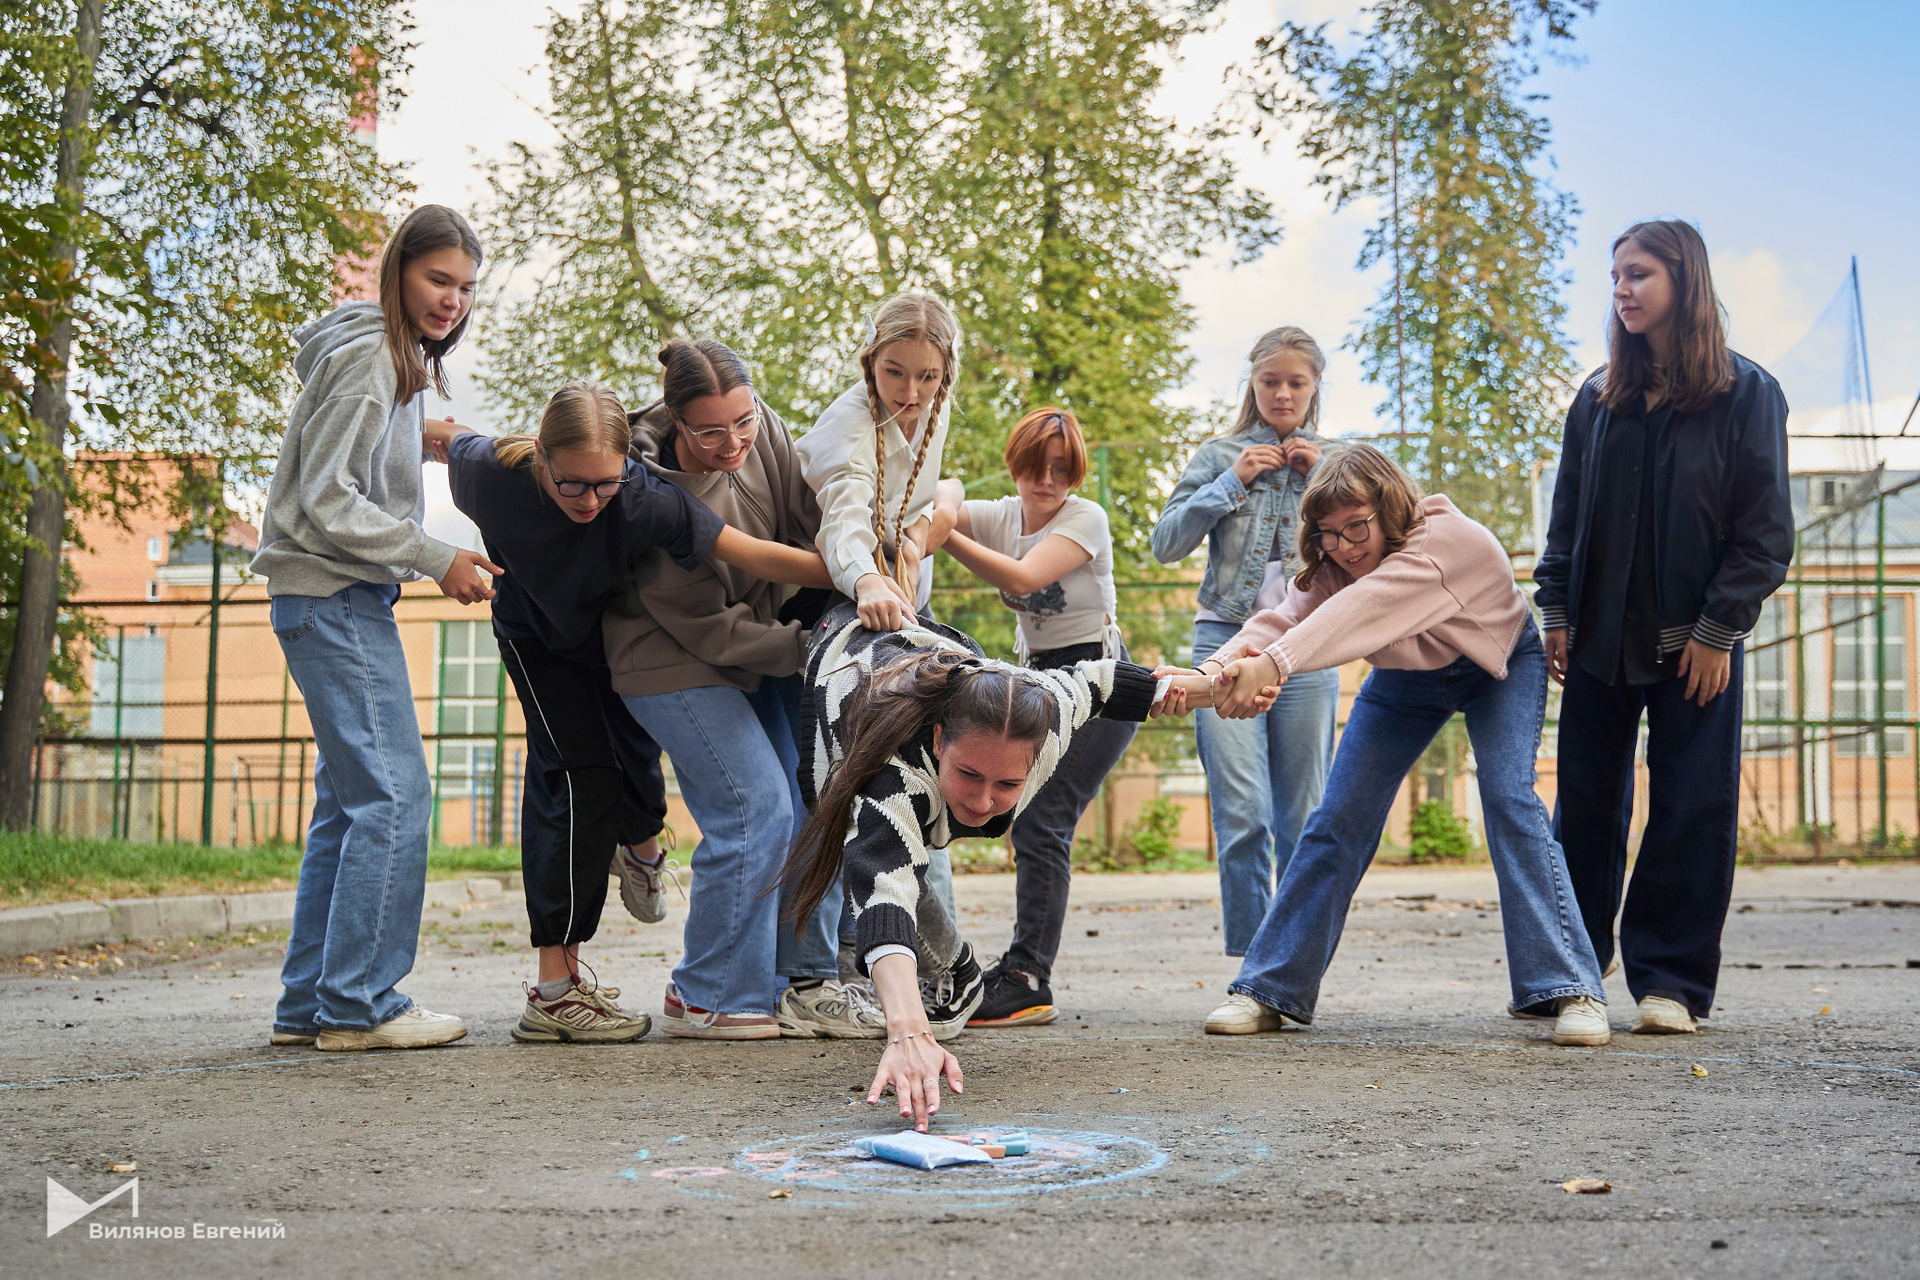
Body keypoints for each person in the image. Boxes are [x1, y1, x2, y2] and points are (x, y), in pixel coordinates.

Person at [430, 381, 830, 1044]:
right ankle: (556, 989)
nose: (590, 501)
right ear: (541, 457)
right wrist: (435, 547)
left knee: (639, 766)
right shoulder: (489, 471)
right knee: (578, 779)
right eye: (572, 484)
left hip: (606, 640)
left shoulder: (646, 497)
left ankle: (642, 850)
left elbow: (748, 552)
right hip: (537, 638)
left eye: (605, 484)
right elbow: (438, 434)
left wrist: (854, 572)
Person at [1196, 444, 1612, 1048]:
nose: (1343, 545)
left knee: (1509, 801)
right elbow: (1283, 619)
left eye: (1356, 525)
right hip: (1405, 678)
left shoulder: (1446, 543)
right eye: (1328, 532)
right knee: (1338, 816)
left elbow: (1359, 609)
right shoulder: (1338, 560)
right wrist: (1210, 671)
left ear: (1390, 506)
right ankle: (1268, 988)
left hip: (1494, 664)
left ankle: (1570, 987)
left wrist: (1272, 666)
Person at [780, 605, 1213, 1131]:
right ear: (939, 741)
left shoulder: (1046, 710)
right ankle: (954, 969)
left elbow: (1101, 681)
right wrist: (909, 1031)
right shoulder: (891, 776)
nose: (984, 801)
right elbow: (884, 892)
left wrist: (1218, 685)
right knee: (881, 849)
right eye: (968, 774)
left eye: (1008, 784)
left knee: (912, 848)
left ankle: (958, 970)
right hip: (843, 661)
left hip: (924, 648)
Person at [1536, 219, 1793, 1035]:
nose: (1622, 288)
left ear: (1685, 280)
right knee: (1583, 808)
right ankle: (1570, 971)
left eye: (1639, 273)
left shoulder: (1747, 394)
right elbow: (1566, 516)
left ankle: (1670, 983)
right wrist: (1556, 609)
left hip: (1695, 647)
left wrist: (1719, 631)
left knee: (1691, 805)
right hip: (1598, 640)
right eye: (1616, 275)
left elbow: (1765, 535)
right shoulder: (1597, 398)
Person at [253, 204, 498, 1052]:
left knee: (350, 805)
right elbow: (327, 496)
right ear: (398, 271)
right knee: (396, 796)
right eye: (438, 280)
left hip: (328, 599)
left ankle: (310, 1003)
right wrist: (436, 555)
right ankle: (361, 1004)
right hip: (336, 597)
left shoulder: (382, 360)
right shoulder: (371, 359)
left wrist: (419, 436)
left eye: (466, 288)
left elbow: (345, 454)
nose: (452, 301)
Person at [606, 339, 884, 1040]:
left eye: (743, 422)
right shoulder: (652, 494)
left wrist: (867, 560)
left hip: (757, 650)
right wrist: (809, 647)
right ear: (676, 420)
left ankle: (793, 981)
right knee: (753, 805)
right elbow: (708, 628)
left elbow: (809, 520)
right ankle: (708, 993)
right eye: (710, 432)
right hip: (670, 658)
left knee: (808, 799)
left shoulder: (766, 430)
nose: (733, 443)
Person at [926, 408, 1132, 1026]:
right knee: (1017, 818)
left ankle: (1027, 977)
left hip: (1100, 680)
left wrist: (944, 535)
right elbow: (945, 489)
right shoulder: (1005, 515)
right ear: (1016, 465)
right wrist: (946, 511)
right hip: (1043, 677)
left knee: (1043, 823)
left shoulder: (1084, 518)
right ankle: (997, 967)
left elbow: (1022, 576)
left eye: (1062, 470)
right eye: (1036, 468)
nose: (1047, 482)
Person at [1150, 326, 1340, 959]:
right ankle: (1253, 966)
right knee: (1242, 812)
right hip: (1224, 643)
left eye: (1296, 382)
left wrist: (1327, 480)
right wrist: (1229, 482)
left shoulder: (1340, 458)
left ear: (1315, 386)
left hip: (1308, 648)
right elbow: (1165, 543)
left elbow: (1386, 538)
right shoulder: (1219, 455)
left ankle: (1293, 960)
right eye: (1269, 381)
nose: (1282, 394)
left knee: (1303, 815)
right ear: (1252, 383)